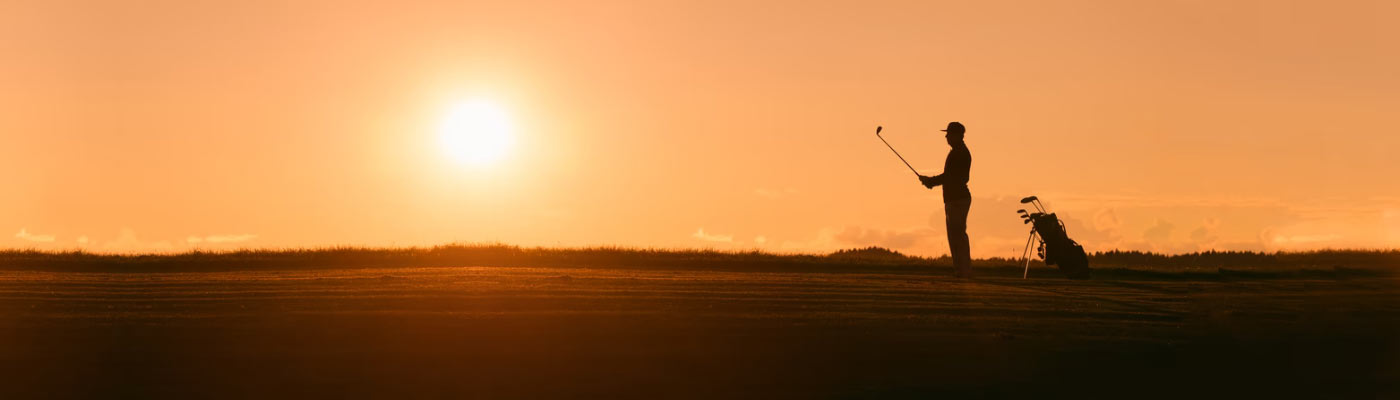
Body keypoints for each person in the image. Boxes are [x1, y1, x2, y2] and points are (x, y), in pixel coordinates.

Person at [918, 122, 973, 278]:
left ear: (956, 136)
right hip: (955, 198)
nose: (946, 137)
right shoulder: (958, 152)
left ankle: (964, 270)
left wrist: (931, 181)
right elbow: (950, 177)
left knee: (957, 235)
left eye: (949, 134)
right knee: (955, 235)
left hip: (957, 199)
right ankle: (961, 270)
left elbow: (950, 177)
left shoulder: (959, 153)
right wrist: (931, 181)